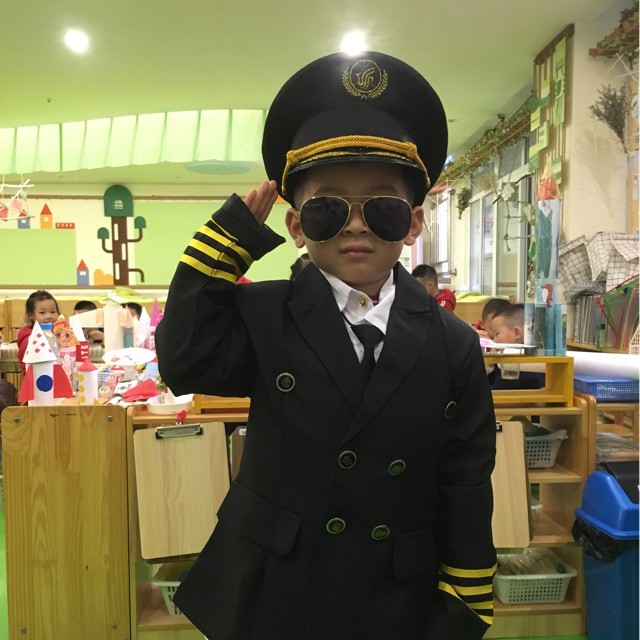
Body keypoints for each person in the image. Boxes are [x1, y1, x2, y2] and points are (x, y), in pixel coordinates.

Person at [156, 51, 496, 640]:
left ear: (414, 224)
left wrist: (466, 596)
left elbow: (465, 479)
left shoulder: (453, 343)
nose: (355, 225)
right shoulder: (265, 314)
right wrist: (226, 244)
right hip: (276, 584)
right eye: (327, 209)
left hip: (397, 590)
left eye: (383, 209)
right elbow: (186, 361)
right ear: (295, 228)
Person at [17, 290, 60, 374]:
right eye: (42, 313)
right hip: (37, 378)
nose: (49, 316)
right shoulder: (29, 339)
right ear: (31, 315)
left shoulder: (59, 333)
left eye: (53, 312)